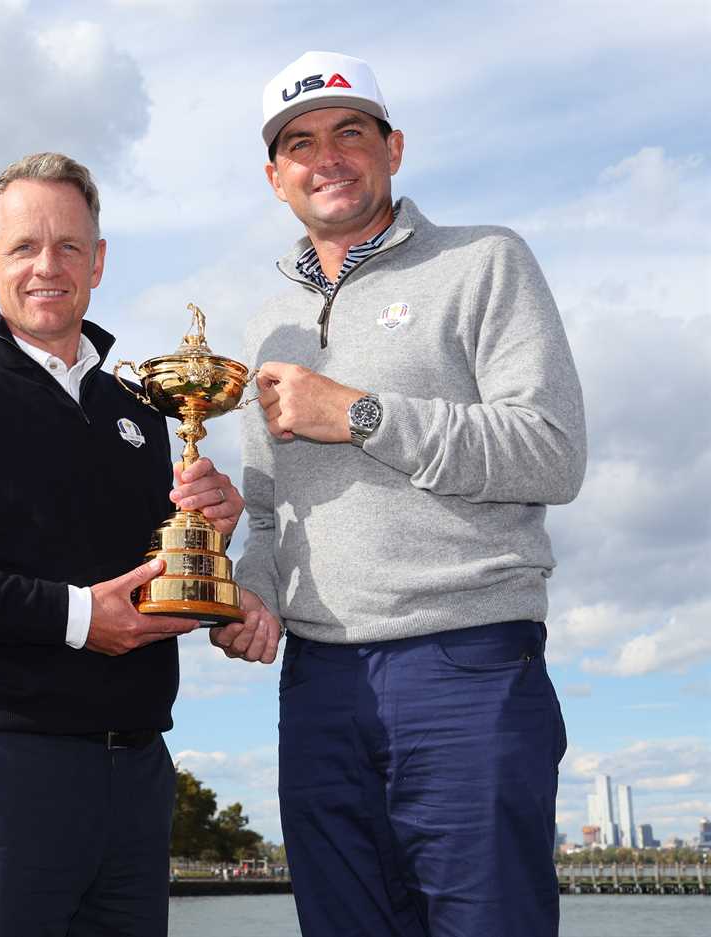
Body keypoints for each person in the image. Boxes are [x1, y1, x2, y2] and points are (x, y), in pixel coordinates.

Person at [213, 51, 587, 937]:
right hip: (317, 686)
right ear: (276, 178)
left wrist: (362, 413)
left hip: (466, 664)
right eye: (299, 144)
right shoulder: (266, 327)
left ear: (394, 148)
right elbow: (271, 513)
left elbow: (552, 452)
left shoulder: (486, 262)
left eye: (351, 132)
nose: (327, 157)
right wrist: (252, 589)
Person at [0, 152, 262, 937]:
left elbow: (152, 579)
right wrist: (76, 617)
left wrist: (216, 551)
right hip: (1, 772)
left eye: (70, 246)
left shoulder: (144, 418)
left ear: (98, 262)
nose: (48, 266)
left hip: (138, 776)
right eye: (24, 247)